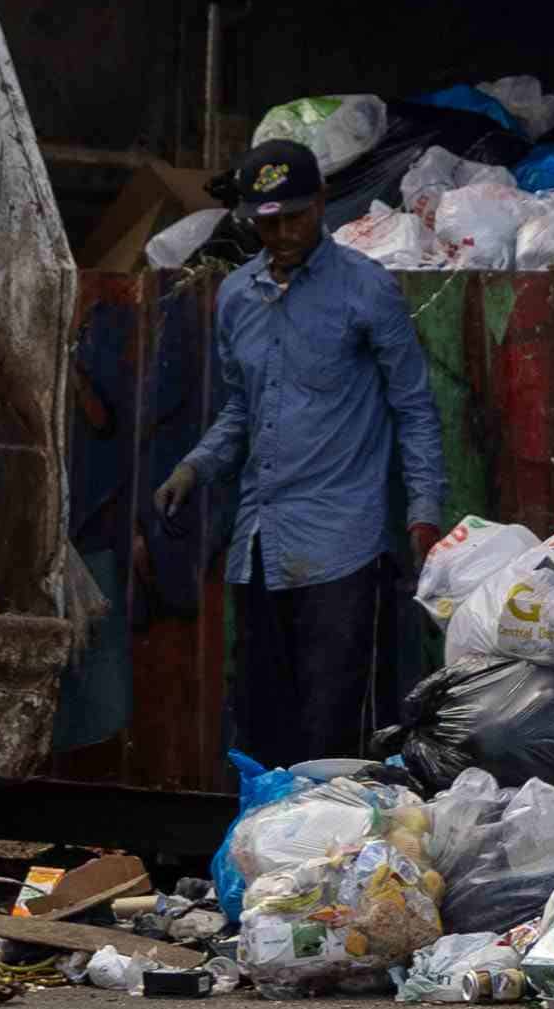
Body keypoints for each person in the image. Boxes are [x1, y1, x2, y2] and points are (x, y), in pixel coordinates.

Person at [159, 139, 451, 768]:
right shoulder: (237, 297)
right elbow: (242, 409)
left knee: (334, 735)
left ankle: (332, 861)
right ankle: (270, 860)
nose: (285, 233)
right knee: (262, 731)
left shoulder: (366, 291)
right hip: (260, 549)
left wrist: (423, 512)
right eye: (268, 222)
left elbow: (415, 409)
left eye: (296, 217)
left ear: (321, 204)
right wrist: (196, 465)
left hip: (343, 546)